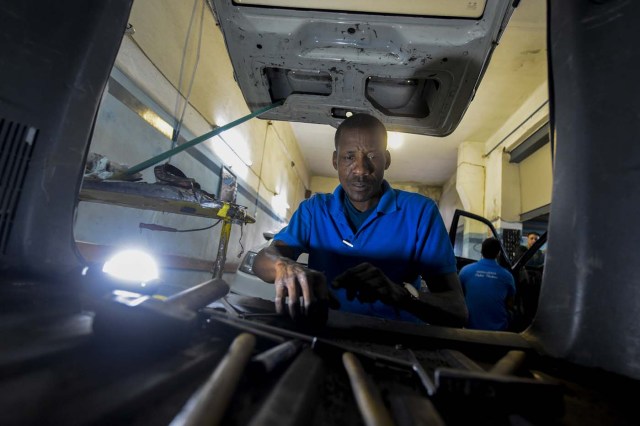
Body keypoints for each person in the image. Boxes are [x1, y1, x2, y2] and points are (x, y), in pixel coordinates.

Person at [253, 113, 468, 327]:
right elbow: (262, 260)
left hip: (397, 343)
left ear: (387, 160)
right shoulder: (315, 210)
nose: (361, 169)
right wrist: (283, 266)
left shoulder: (420, 213)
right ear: (335, 161)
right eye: (349, 157)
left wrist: (402, 295)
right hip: (327, 334)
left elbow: (457, 310)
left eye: (372, 156)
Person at [459, 237, 515, 331]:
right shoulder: (507, 276)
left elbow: (459, 296)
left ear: (481, 251)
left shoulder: (465, 271)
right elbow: (510, 303)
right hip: (498, 329)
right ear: (498, 253)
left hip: (469, 327)